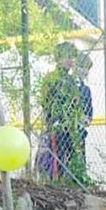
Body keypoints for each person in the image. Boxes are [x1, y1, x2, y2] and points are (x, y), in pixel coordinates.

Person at [39, 42, 82, 182]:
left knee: (70, 155)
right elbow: (46, 102)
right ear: (58, 58)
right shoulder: (51, 78)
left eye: (72, 57)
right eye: (67, 57)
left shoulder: (71, 80)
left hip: (71, 126)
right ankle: (54, 182)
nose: (70, 61)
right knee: (56, 156)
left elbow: (77, 104)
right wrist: (53, 119)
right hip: (56, 124)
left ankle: (68, 181)